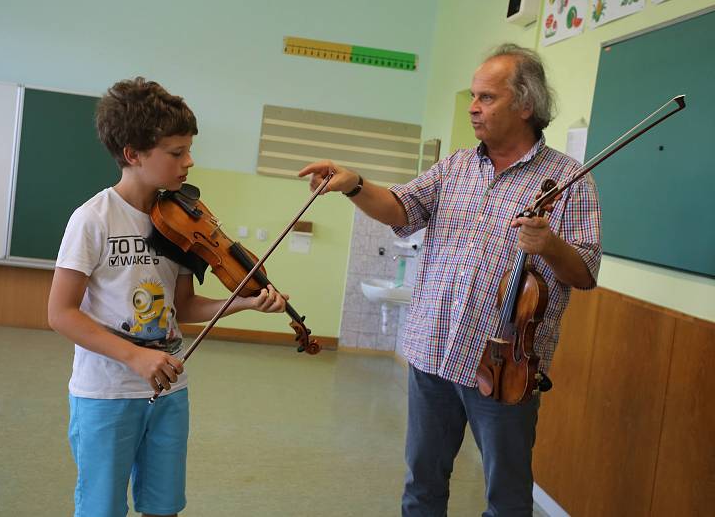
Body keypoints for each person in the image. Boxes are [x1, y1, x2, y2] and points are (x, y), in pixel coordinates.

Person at [299, 44, 601, 516]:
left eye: (487, 98)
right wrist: (355, 184)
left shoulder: (569, 179)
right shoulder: (456, 166)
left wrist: (551, 246)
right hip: (432, 352)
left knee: (507, 498)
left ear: (526, 105)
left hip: (503, 367)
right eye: (473, 96)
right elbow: (400, 207)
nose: (473, 107)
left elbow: (584, 273)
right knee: (422, 484)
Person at [47, 77, 288, 517]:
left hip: (170, 390)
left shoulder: (176, 220)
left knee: (164, 506)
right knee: (101, 508)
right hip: (107, 393)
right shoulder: (92, 220)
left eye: (188, 150)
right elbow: (61, 314)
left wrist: (246, 303)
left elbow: (186, 308)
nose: (189, 162)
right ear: (133, 154)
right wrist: (135, 357)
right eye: (176, 153)